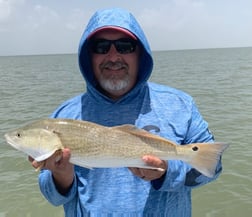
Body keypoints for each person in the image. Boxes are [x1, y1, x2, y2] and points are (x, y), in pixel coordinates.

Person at [30, 7, 224, 216]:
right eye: (101, 47)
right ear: (89, 55)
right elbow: (52, 197)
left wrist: (167, 172)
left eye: (125, 46)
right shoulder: (63, 116)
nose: (113, 56)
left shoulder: (180, 104)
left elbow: (212, 167)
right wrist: (61, 176)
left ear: (140, 53)